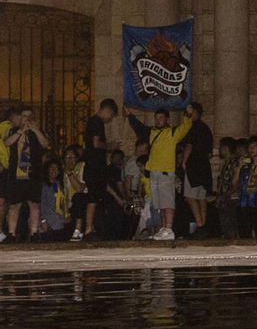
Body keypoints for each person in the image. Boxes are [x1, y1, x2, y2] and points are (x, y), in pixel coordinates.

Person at [126, 106, 190, 241]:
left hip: (166, 172)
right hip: (154, 172)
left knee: (167, 202)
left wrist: (187, 115)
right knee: (159, 204)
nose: (158, 120)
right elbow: (139, 128)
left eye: (161, 118)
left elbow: (185, 128)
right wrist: (130, 116)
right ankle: (163, 228)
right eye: (156, 118)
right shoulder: (152, 132)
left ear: (167, 119)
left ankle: (169, 228)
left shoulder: (172, 133)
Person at [3, 106, 49, 241]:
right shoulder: (13, 131)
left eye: (30, 116)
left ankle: (34, 232)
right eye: (24, 116)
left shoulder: (38, 132)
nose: (27, 119)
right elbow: (6, 143)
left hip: (33, 174)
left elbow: (45, 144)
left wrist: (34, 129)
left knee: (34, 204)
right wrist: (21, 131)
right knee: (14, 205)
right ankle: (11, 233)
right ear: (19, 117)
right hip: (17, 174)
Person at [79, 98, 119, 241]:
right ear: (108, 110)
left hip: (94, 166)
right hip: (94, 166)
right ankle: (89, 228)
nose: (110, 119)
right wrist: (110, 146)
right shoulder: (96, 122)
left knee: (95, 197)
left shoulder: (95, 122)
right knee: (93, 197)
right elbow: (96, 143)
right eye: (112, 115)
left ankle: (91, 227)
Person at [179, 102, 214, 236]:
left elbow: (189, 146)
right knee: (201, 197)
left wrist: (184, 162)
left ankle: (199, 224)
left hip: (193, 165)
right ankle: (203, 224)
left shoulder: (192, 127)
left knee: (190, 196)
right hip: (204, 165)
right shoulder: (206, 128)